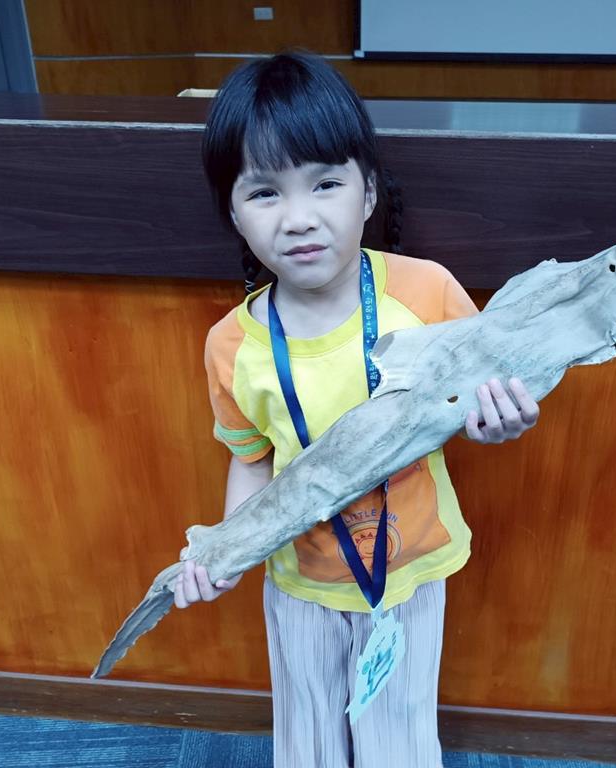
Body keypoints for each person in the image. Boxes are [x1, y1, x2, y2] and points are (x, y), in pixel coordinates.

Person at [174, 50, 541, 768]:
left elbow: (482, 398)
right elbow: (251, 462)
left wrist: (502, 421)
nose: (299, 218)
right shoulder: (232, 346)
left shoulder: (428, 293)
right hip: (300, 582)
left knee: (397, 740)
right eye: (265, 193)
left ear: (368, 192)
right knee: (307, 737)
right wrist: (225, 549)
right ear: (234, 214)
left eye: (326, 183)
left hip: (410, 572)